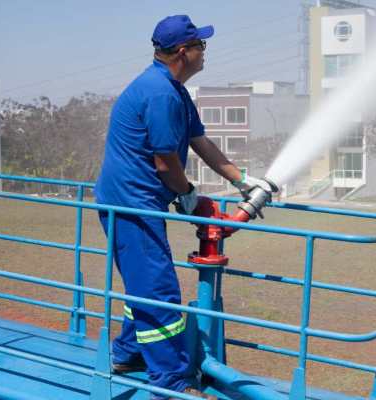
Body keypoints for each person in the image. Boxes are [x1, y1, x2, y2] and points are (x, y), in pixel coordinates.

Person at [94, 15, 270, 400]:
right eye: (201, 46)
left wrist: (241, 180)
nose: (205, 52)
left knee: (145, 284)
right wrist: (188, 194)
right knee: (158, 291)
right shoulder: (158, 94)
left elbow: (199, 142)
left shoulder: (172, 90)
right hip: (131, 207)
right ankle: (172, 385)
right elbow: (164, 162)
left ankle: (128, 352)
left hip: (138, 203)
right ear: (181, 52)